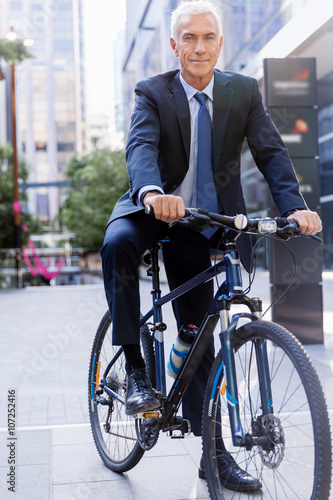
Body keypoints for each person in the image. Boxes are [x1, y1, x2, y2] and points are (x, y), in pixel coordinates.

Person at [101, 0, 322, 492]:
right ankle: (136, 369)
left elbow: (271, 152)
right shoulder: (152, 92)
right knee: (117, 243)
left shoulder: (243, 91)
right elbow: (140, 146)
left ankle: (214, 456)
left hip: (211, 223)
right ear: (175, 44)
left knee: (201, 335)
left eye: (208, 38)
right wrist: (154, 193)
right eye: (189, 38)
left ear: (220, 45)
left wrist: (296, 207)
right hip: (155, 209)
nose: (199, 47)